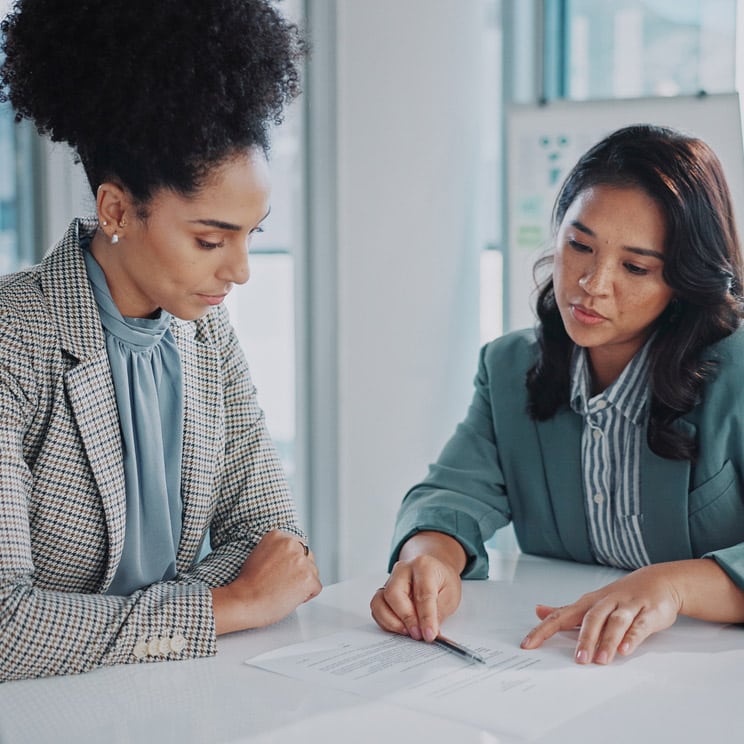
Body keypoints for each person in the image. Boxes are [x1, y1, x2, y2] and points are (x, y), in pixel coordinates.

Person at [0, 0, 321, 682]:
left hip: (165, 692)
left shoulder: (204, 331)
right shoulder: (13, 339)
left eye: (251, 233)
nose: (238, 270)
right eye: (210, 239)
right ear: (116, 209)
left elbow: (273, 543)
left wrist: (111, 625)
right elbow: (4, 626)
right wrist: (223, 607)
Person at [371, 124, 744, 666]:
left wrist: (676, 586)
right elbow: (452, 495)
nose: (592, 283)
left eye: (635, 267)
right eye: (579, 245)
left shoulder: (735, 369)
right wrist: (430, 558)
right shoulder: (508, 366)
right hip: (559, 667)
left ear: (685, 282)